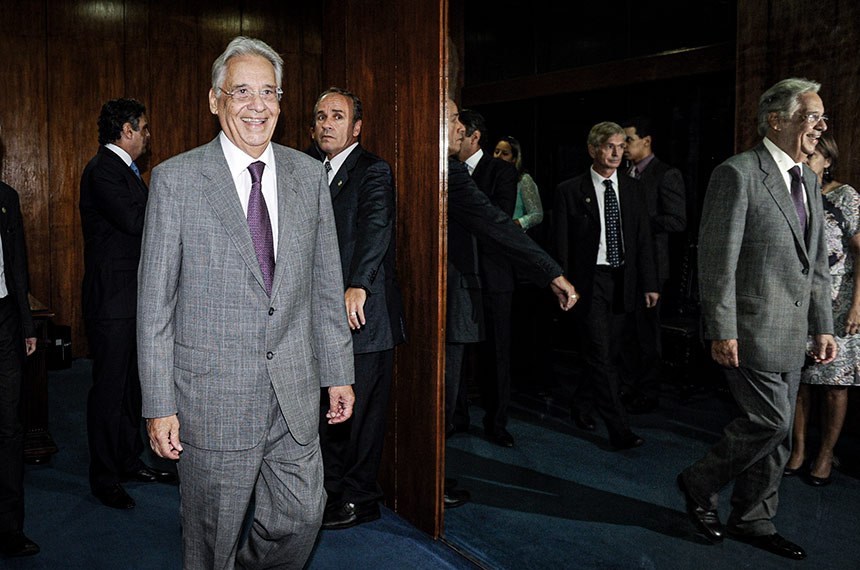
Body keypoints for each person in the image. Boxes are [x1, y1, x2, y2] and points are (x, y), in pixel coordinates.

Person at [137, 36, 355, 569]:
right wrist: (159, 404)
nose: (257, 105)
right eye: (241, 92)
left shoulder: (309, 175)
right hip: (214, 399)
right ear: (215, 100)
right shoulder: (176, 180)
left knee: (302, 516)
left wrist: (338, 372)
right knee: (211, 542)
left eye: (269, 92)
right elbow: (154, 307)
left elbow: (326, 285)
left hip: (294, 392)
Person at [678, 77, 836, 561]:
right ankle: (698, 481)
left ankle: (753, 519)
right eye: (812, 116)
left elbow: (816, 264)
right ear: (776, 120)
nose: (821, 126)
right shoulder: (738, 173)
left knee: (779, 435)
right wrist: (722, 329)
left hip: (794, 331)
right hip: (749, 328)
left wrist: (823, 325)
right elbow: (716, 260)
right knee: (771, 421)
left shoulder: (808, 179)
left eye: (822, 117)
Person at [444, 98, 578, 503]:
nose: (460, 128)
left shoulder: (460, 171)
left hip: (474, 287)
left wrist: (548, 270)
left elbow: (500, 222)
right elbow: (495, 224)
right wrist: (551, 272)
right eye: (453, 119)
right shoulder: (441, 169)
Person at [310, 87, 406, 530]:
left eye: (337, 116)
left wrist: (358, 284)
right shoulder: (310, 169)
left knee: (362, 416)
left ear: (356, 127)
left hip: (364, 317)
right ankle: (331, 493)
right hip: (322, 319)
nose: (327, 123)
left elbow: (376, 228)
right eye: (320, 116)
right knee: (331, 414)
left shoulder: (373, 170)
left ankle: (361, 499)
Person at [79, 98, 174, 511]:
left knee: (133, 388)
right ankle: (104, 478)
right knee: (109, 390)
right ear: (128, 130)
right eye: (144, 128)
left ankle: (127, 460)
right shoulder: (103, 170)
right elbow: (137, 222)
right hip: (112, 302)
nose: (148, 136)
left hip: (134, 299)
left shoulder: (127, 172)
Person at [552, 121, 658, 451]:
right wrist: (562, 283)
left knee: (607, 353)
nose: (617, 152)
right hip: (589, 282)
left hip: (623, 280)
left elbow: (643, 239)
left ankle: (581, 403)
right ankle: (619, 429)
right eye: (610, 146)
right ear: (593, 149)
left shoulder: (633, 189)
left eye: (621, 146)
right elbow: (560, 244)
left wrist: (649, 283)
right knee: (600, 354)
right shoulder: (569, 190)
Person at [786, 132, 859, 487]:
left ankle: (826, 454)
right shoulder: (793, 194)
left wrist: (857, 306)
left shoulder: (845, 197)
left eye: (813, 156)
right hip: (801, 300)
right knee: (799, 381)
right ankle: (798, 449)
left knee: (834, 384)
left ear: (827, 161)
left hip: (839, 302)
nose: (806, 161)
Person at [455, 109, 519, 447]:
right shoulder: (446, 170)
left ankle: (497, 423)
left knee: (497, 353)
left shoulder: (501, 171)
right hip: (458, 274)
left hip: (493, 276)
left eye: (459, 130)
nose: (454, 136)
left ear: (474, 136)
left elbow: (500, 219)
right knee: (457, 351)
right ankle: (457, 416)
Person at [619, 117, 686, 414]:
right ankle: (628, 386)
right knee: (626, 331)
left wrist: (640, 222)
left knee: (647, 333)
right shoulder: (624, 173)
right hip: (625, 265)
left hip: (652, 268)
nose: (624, 147)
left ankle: (648, 392)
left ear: (646, 141)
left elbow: (677, 220)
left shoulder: (666, 174)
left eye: (629, 140)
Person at [0, 179, 39, 558]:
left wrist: (27, 325)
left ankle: (10, 528)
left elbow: (18, 266)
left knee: (9, 426)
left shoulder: (6, 198)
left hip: (4, 320)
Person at [493, 135, 544, 232]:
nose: (498, 156)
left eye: (505, 153)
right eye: (496, 152)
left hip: (512, 235)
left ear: (514, 158)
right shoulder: (489, 177)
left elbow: (537, 214)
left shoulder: (523, 179)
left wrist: (515, 223)